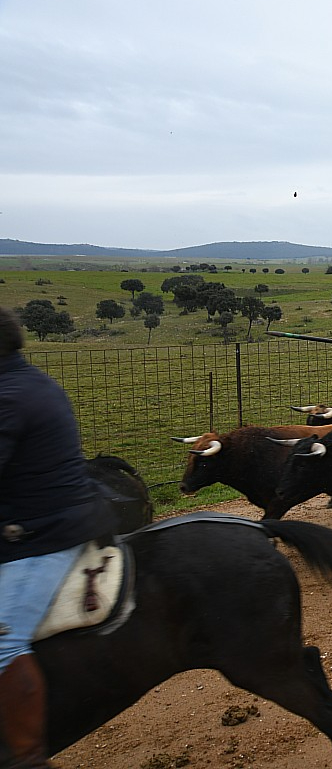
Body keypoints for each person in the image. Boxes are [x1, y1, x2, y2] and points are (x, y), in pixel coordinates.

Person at [1, 306, 117, 767]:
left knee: (2, 643)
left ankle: (27, 756)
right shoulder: (29, 382)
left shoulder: (10, 395)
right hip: (45, 516)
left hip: (43, 531)